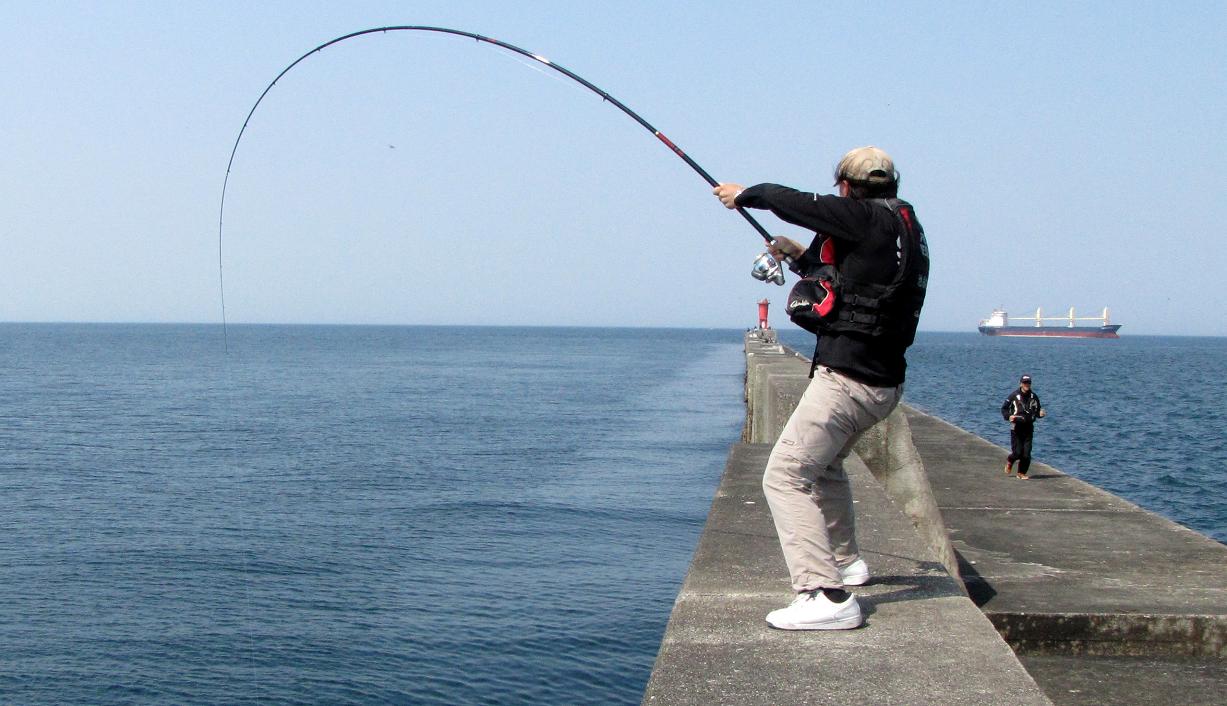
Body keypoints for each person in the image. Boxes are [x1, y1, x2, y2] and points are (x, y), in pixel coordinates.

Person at [712, 146, 929, 630]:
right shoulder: (904, 228)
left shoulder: (863, 217)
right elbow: (856, 283)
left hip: (848, 382)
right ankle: (846, 563)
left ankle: (824, 594)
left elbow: (790, 200)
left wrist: (744, 195)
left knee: (785, 475)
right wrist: (799, 255)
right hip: (883, 382)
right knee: (825, 467)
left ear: (846, 187)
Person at [1001, 374, 1045, 479]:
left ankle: (1021, 473)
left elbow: (1037, 411)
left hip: (1028, 428)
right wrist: (1009, 416)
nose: (1027, 385)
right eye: (1025, 383)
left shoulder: (1034, 397)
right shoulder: (1014, 396)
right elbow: (1004, 408)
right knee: (1017, 452)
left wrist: (1040, 414)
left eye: (1028, 383)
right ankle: (1010, 460)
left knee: (1026, 454)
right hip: (1017, 428)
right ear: (1021, 384)